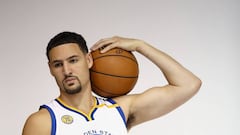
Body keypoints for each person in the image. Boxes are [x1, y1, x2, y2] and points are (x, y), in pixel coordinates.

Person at [22, 31, 202, 135]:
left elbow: (188, 84)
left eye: (73, 60)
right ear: (50, 69)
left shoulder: (119, 110)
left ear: (89, 60)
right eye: (58, 64)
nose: (67, 70)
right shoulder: (42, 122)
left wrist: (140, 45)